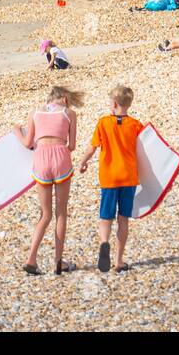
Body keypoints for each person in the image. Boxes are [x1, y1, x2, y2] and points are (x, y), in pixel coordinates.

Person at [76, 85, 144, 273]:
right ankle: (119, 261)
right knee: (123, 218)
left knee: (106, 217)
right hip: (129, 177)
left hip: (109, 177)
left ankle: (104, 242)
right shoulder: (136, 125)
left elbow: (92, 148)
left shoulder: (104, 123)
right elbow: (146, 150)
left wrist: (83, 162)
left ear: (113, 104)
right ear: (128, 105)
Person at [15, 86, 82, 275]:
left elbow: (28, 143)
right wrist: (61, 151)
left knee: (45, 215)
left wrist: (16, 130)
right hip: (61, 156)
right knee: (61, 213)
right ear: (64, 99)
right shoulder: (69, 113)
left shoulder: (35, 112)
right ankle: (58, 262)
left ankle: (31, 259)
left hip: (41, 158)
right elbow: (73, 145)